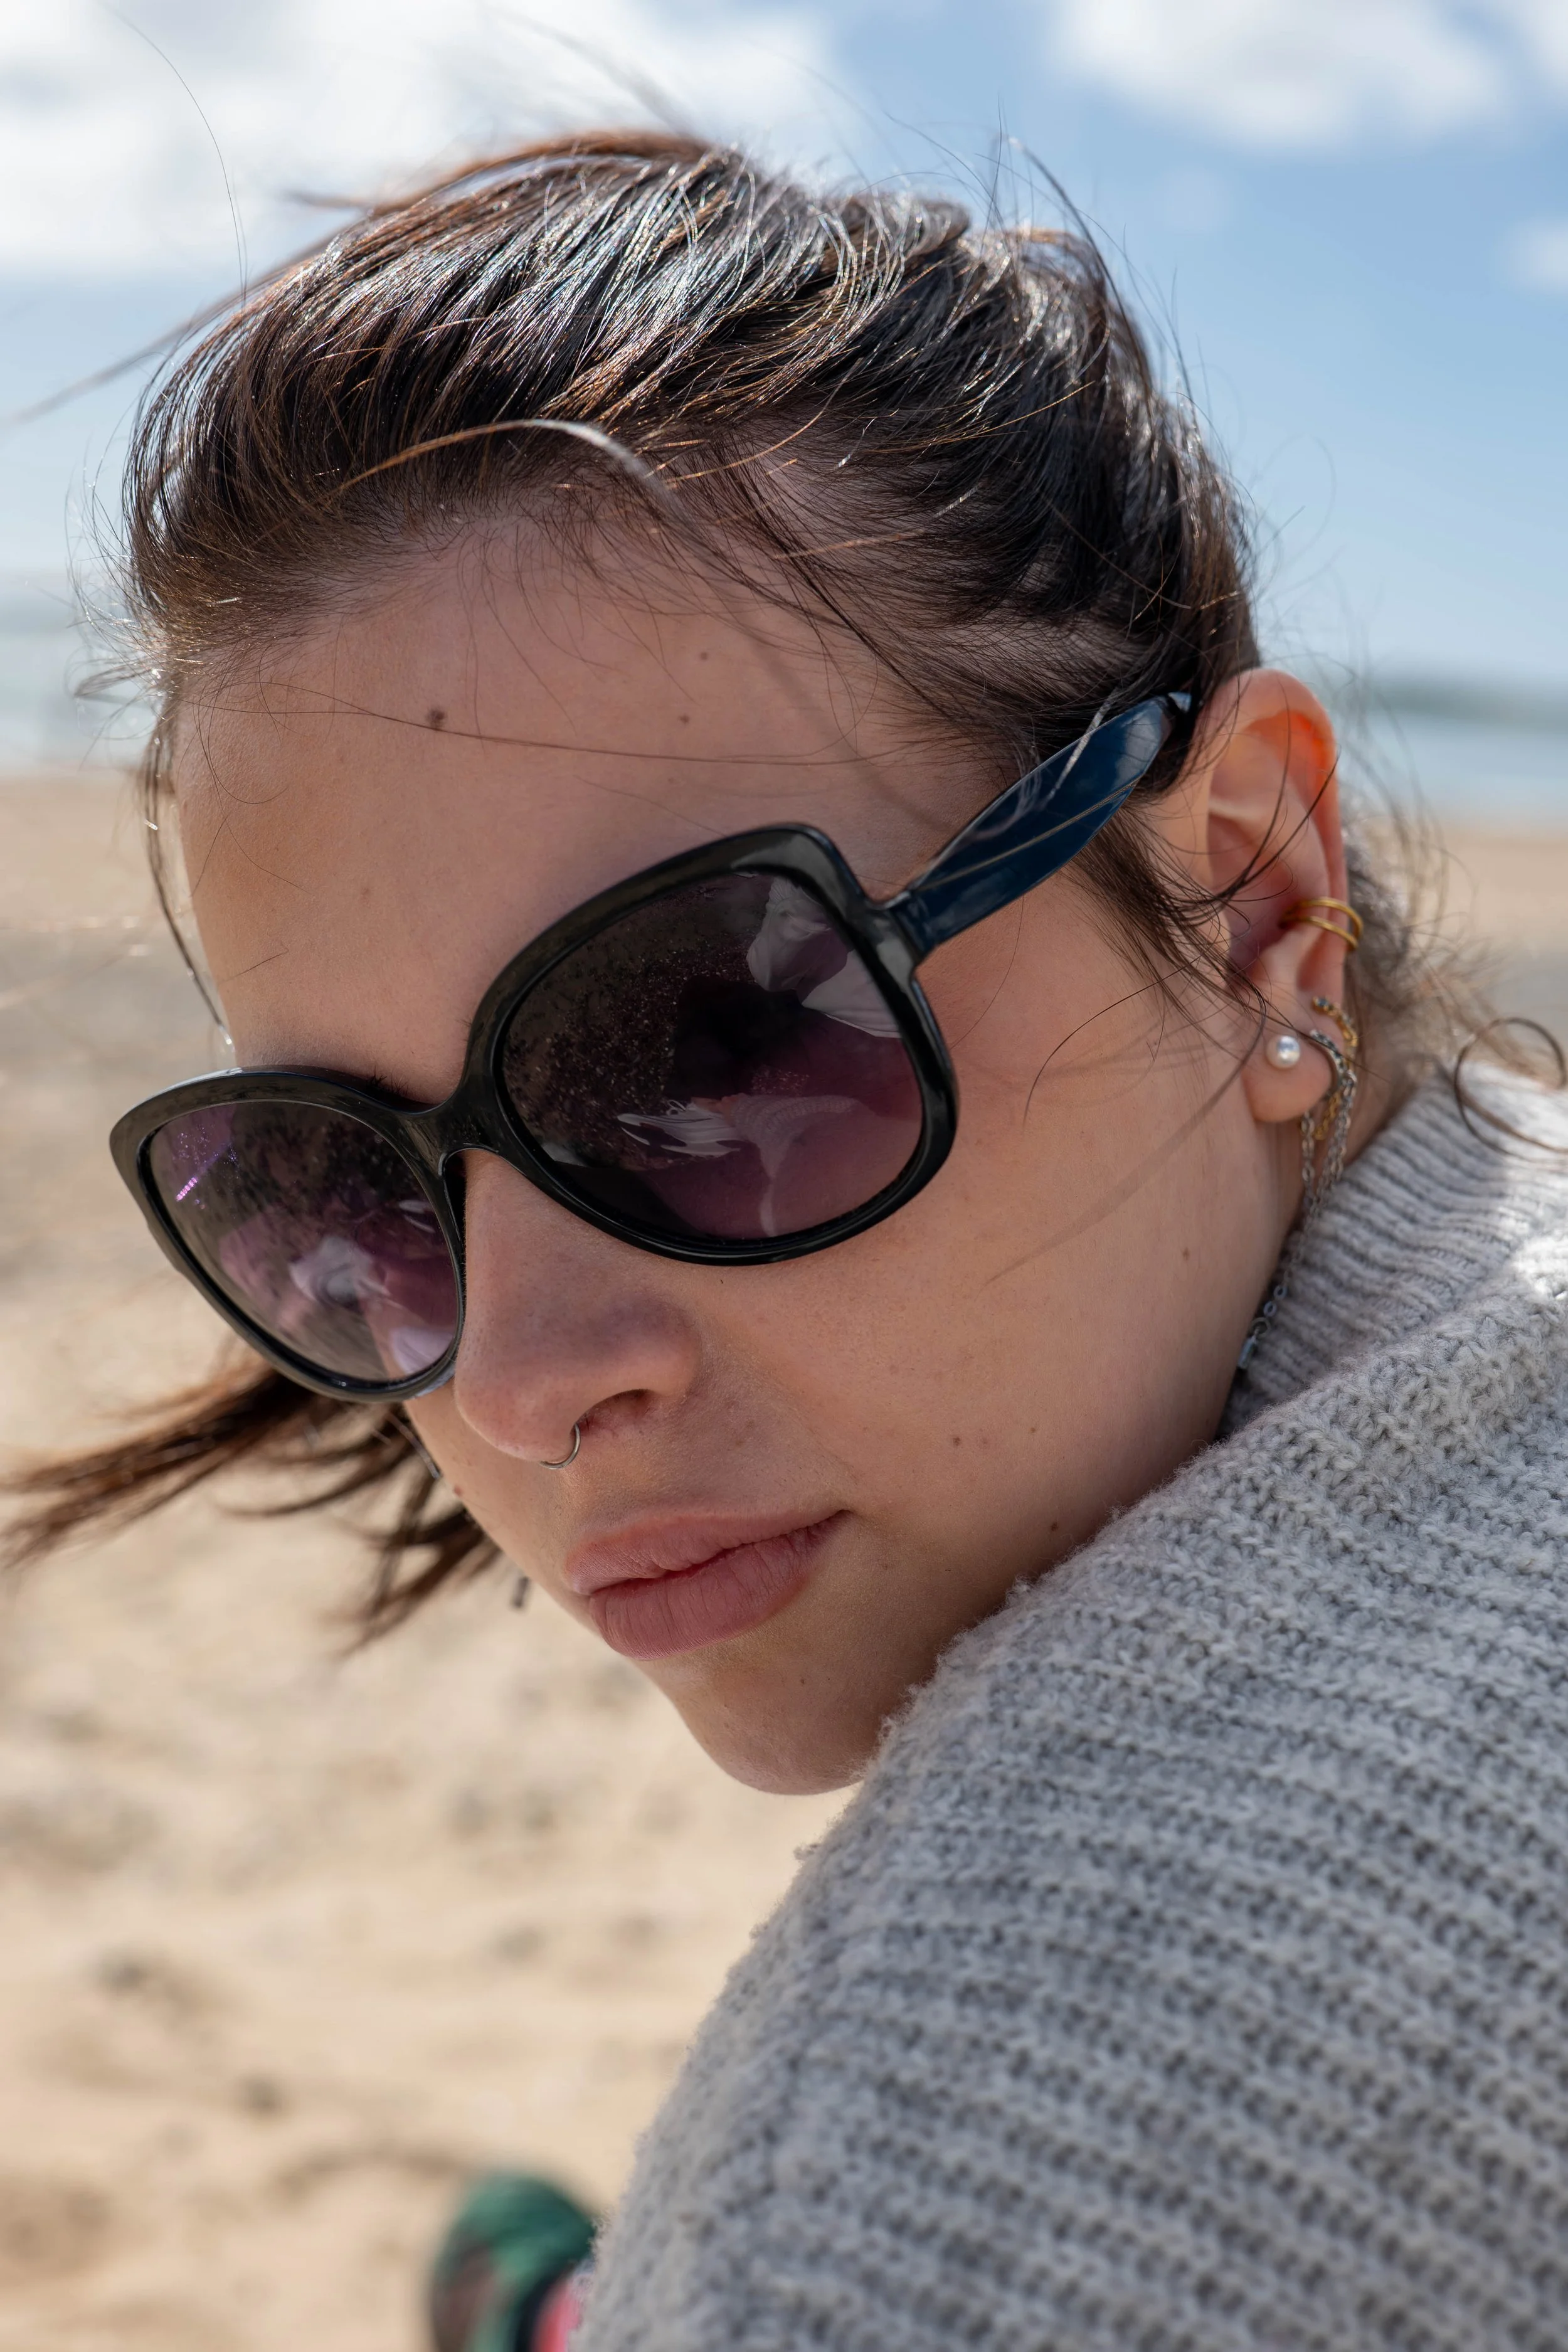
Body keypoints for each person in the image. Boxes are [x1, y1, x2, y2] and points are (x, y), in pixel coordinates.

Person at [8, 129, 1568, 2351]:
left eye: (711, 1043)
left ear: (1254, 896)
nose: (517, 1386)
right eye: (345, 1179)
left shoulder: (895, 2189)